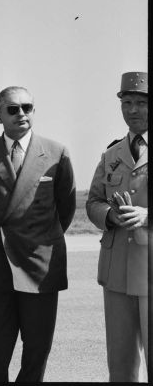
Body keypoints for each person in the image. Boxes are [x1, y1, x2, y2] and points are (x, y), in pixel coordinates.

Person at [0, 86, 76, 383]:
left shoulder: (56, 152)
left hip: (40, 264)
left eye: (27, 108)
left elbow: (65, 208)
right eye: (13, 109)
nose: (22, 115)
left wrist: (38, 238)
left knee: (37, 346)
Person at [86, 72, 149, 381]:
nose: (133, 110)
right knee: (120, 364)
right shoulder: (112, 154)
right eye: (127, 102)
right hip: (117, 273)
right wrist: (109, 216)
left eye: (140, 103)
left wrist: (147, 216)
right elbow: (94, 201)